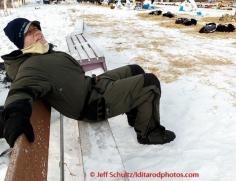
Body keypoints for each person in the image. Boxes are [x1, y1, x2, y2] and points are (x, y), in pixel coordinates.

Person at [0, 18, 176, 148]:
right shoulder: (30, 65)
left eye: (35, 27)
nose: (36, 31)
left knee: (135, 69)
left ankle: (136, 116)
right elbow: (20, 91)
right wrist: (15, 116)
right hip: (92, 103)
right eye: (29, 32)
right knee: (150, 83)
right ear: (20, 42)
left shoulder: (44, 53)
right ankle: (149, 134)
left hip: (94, 85)